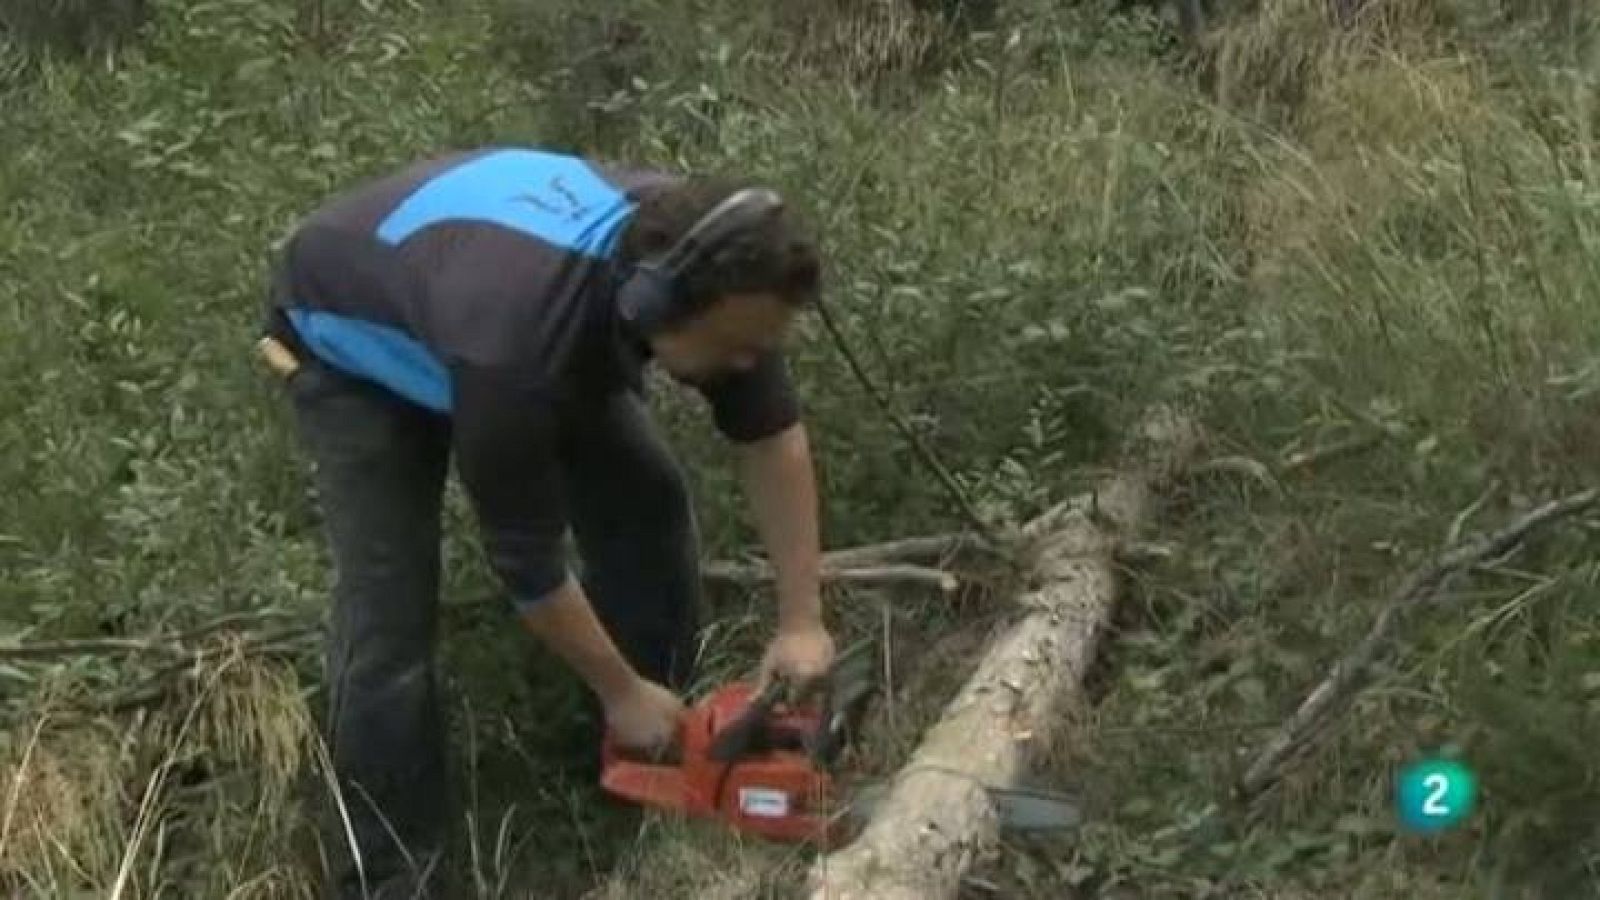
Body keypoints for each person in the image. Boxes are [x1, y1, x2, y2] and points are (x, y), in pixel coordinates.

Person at [256, 146, 837, 899]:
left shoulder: (722, 266)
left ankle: (633, 778)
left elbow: (771, 436)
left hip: (478, 302)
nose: (748, 363)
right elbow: (528, 562)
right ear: (656, 306)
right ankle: (395, 876)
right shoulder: (519, 349)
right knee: (389, 616)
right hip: (351, 343)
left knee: (649, 505)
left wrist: (802, 620)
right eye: (736, 348)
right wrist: (620, 689)